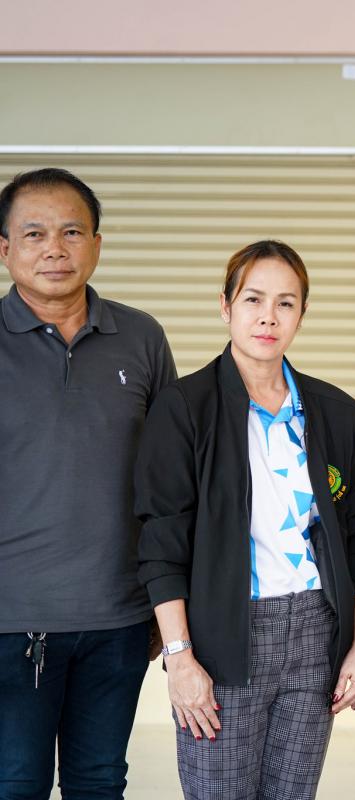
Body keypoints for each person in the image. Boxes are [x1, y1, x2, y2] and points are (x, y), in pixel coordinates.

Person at [135, 240, 355, 800]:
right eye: (253, 299)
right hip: (222, 635)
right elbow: (161, 542)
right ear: (226, 306)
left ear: (302, 314)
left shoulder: (337, 414)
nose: (269, 316)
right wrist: (180, 658)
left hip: (316, 632)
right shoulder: (184, 408)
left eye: (285, 303)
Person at [0, 168, 176, 799]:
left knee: (99, 781)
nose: (55, 248)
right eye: (35, 234)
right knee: (14, 783)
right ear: (5, 249)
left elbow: (169, 482)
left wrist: (165, 599)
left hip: (118, 617)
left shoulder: (142, 337)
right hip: (11, 619)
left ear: (97, 244)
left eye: (72, 232)